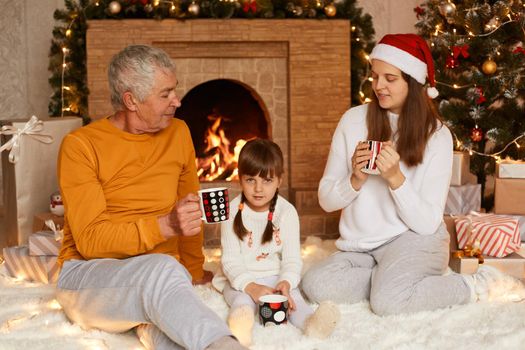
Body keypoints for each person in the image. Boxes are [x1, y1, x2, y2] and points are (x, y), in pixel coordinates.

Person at [301, 34, 509, 315]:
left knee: (388, 303)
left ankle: (475, 285)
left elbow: (427, 222)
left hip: (414, 238)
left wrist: (396, 179)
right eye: (375, 76)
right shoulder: (352, 121)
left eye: (390, 78)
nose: (378, 86)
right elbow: (326, 201)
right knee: (315, 284)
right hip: (362, 247)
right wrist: (356, 179)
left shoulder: (437, 136)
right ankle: (393, 279)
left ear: (411, 81)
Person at [55, 45, 246, 350]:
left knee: (164, 322)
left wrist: (194, 271)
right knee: (161, 271)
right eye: (165, 94)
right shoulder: (80, 146)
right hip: (87, 277)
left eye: (175, 90)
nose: (177, 101)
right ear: (131, 100)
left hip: (157, 277)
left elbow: (189, 209)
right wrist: (165, 226)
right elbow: (90, 240)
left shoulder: (179, 132)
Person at [212, 139, 340, 347]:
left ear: (280, 180)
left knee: (295, 300)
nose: (258, 189)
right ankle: (240, 327)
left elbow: (291, 259)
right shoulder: (232, 211)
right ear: (239, 179)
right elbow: (230, 261)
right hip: (239, 278)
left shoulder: (287, 212)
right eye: (250, 180)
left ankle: (312, 324)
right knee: (241, 301)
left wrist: (286, 282)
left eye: (267, 180)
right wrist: (251, 286)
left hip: (273, 275)